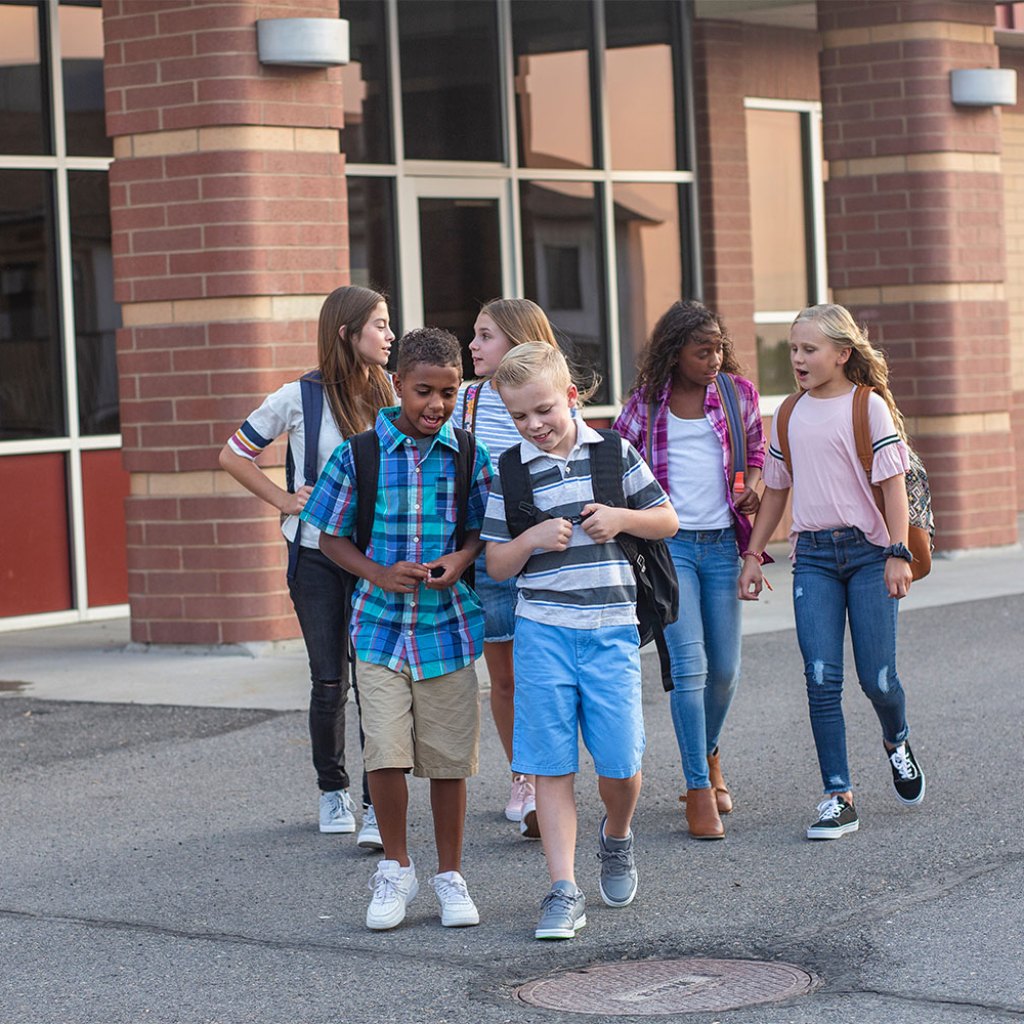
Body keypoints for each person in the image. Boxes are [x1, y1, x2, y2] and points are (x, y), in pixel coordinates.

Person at [482, 343, 678, 940]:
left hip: (611, 632)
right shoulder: (510, 472)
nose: (534, 425)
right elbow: (495, 564)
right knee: (550, 765)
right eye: (519, 416)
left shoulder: (614, 453)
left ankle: (616, 834)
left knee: (621, 763)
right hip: (542, 633)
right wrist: (533, 538)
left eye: (543, 409)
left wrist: (621, 518)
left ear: (572, 396)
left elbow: (667, 520)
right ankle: (563, 889)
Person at [299, 327, 492, 931]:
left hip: (448, 627)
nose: (435, 404)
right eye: (423, 391)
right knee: (384, 750)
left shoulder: (468, 453)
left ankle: (450, 875)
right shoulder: (358, 454)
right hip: (380, 627)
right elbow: (327, 535)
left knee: (447, 759)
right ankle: (397, 866)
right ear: (398, 386)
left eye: (448, 392)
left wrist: (459, 562)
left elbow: (481, 530)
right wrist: (378, 574)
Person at [738, 303, 926, 840]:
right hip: (814, 558)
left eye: (809, 349)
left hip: (870, 555)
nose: (797, 358)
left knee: (878, 679)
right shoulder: (789, 414)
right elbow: (776, 492)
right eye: (793, 349)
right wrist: (753, 556)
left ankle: (897, 739)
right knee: (821, 679)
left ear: (842, 354)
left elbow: (893, 485)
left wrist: (897, 552)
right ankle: (837, 795)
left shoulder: (868, 408)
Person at [218, 285, 393, 845]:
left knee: (376, 680)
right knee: (329, 681)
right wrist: (285, 499)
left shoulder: (392, 391)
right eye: (380, 326)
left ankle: (376, 802)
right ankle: (332, 791)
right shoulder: (299, 396)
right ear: (347, 333)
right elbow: (233, 454)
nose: (390, 337)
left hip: (375, 559)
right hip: (316, 557)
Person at [614, 300, 765, 840]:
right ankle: (697, 786)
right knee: (690, 667)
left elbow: (758, 456)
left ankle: (708, 750)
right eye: (703, 351)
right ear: (675, 352)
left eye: (719, 348)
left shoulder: (737, 395)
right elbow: (616, 467)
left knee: (726, 670)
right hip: (670, 548)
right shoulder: (645, 406)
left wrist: (754, 489)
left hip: (724, 545)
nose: (715, 359)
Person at [453, 297, 560, 838]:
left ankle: (550, 777)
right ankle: (523, 777)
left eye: (485, 335)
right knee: (505, 679)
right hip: (494, 552)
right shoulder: (465, 401)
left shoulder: (550, 400)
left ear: (518, 341)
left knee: (547, 673)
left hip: (548, 553)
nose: (473, 345)